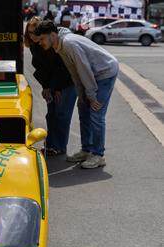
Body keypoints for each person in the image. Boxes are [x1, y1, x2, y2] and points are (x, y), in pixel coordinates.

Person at [35, 21, 119, 169]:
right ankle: (87, 150)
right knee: (83, 109)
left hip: (105, 72)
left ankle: (98, 155)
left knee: (96, 113)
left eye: (42, 39)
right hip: (94, 74)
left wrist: (91, 95)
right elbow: (74, 72)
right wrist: (82, 95)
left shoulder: (68, 43)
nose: (40, 43)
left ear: (53, 35)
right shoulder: (59, 44)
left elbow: (83, 69)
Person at [25, 17, 77, 156]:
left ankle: (59, 146)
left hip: (67, 83)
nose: (33, 35)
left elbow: (63, 68)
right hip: (52, 84)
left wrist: (57, 88)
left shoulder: (54, 44)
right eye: (30, 32)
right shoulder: (35, 46)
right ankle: (52, 145)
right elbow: (40, 68)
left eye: (35, 31)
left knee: (62, 115)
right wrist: (46, 87)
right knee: (51, 114)